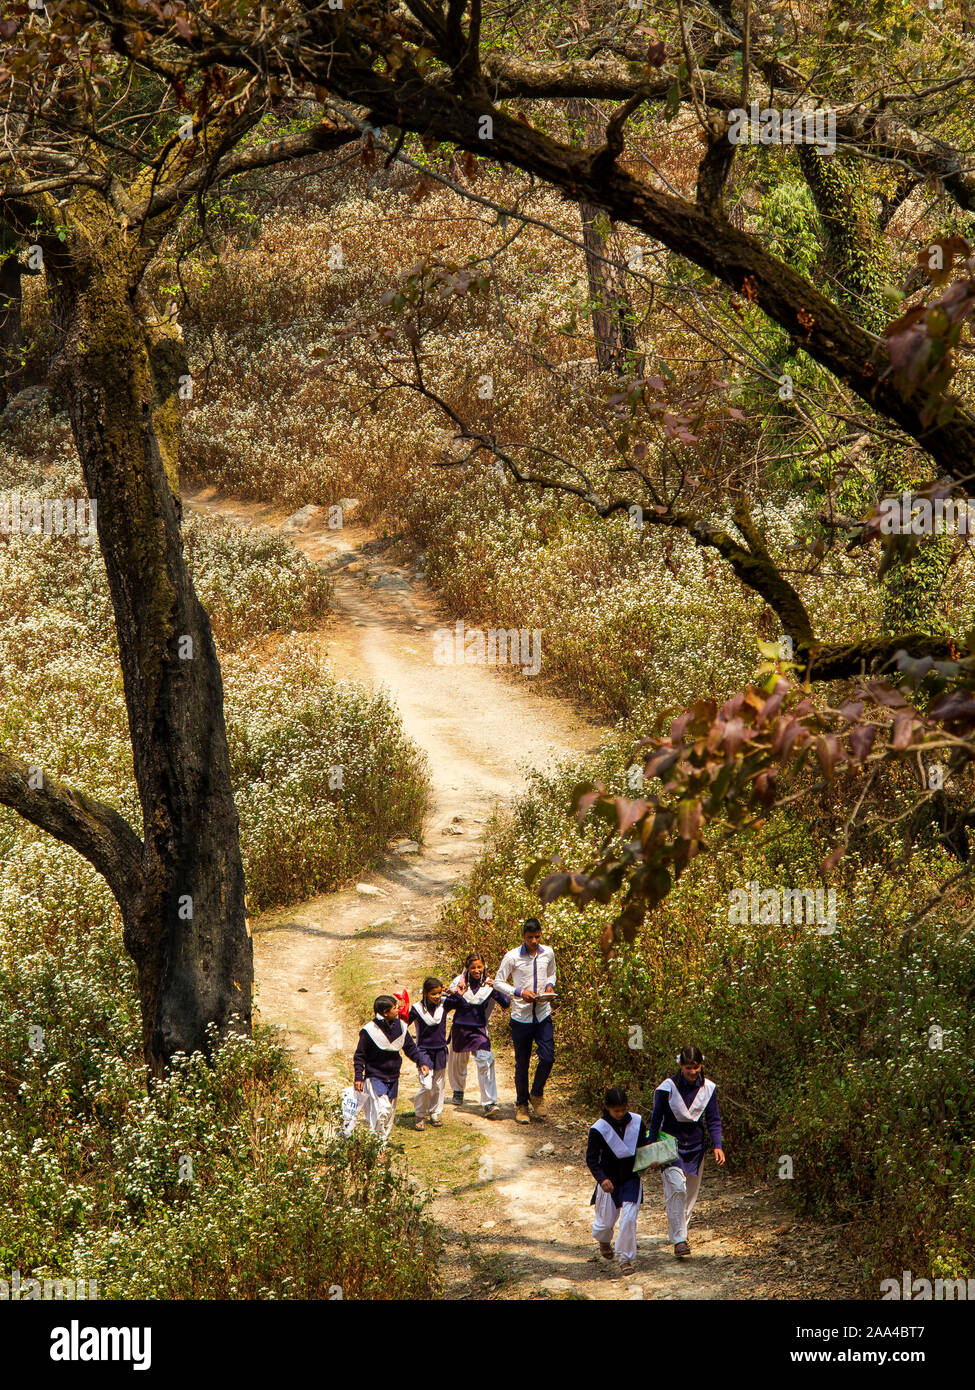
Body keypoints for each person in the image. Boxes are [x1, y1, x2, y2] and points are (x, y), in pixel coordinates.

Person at [645, 1045, 725, 1258]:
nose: (692, 1072)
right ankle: (679, 1240)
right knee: (677, 1189)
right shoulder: (667, 1089)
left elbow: (713, 1119)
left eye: (696, 1067)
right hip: (670, 1146)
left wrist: (718, 1145)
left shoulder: (708, 1088)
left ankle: (681, 1232)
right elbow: (655, 1121)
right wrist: (653, 1149)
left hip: (696, 1148)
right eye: (688, 1067)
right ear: (680, 1065)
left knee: (689, 1194)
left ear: (701, 1065)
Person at [494, 918, 557, 1124]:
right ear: (523, 936)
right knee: (522, 1062)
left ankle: (536, 1094)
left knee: (547, 1057)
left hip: (543, 1012)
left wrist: (549, 986)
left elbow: (552, 973)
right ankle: (521, 1104)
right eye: (530, 937)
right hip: (521, 1016)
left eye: (537, 936)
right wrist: (519, 992)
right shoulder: (512, 956)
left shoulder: (547, 952)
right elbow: (498, 982)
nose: (534, 941)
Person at [585, 1086, 648, 1277]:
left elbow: (643, 1148)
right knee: (604, 1225)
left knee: (629, 1219)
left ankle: (624, 1258)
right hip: (609, 1180)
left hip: (630, 1178)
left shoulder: (636, 1122)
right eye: (616, 1111)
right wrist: (602, 1178)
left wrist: (651, 1158)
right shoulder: (599, 1129)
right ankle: (604, 1240)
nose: (620, 1114)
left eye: (623, 1109)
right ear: (607, 1108)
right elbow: (592, 1158)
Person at [351, 994, 431, 1145]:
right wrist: (358, 1077)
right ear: (385, 1012)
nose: (398, 1010)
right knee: (382, 1110)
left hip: (393, 1076)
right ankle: (377, 1144)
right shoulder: (369, 1031)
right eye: (394, 1008)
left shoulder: (400, 1027)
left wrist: (421, 1062)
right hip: (375, 1076)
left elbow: (410, 1048)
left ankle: (381, 1143)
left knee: (389, 1116)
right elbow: (360, 1056)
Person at [445, 952, 510, 1117]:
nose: (476, 970)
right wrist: (457, 994)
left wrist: (498, 986)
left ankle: (489, 1102)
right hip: (460, 1027)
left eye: (479, 967)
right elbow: (447, 1005)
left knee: (486, 1060)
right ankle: (458, 1090)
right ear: (467, 968)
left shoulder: (488, 985)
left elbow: (506, 1003)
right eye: (473, 967)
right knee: (458, 1061)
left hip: (479, 1028)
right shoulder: (458, 983)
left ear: (484, 967)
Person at [409, 976, 456, 1130]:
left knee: (438, 1084)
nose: (437, 997)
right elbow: (403, 1025)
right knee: (427, 1084)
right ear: (426, 993)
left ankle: (435, 1112)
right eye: (433, 994)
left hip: (441, 1050)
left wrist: (452, 993)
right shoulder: (417, 1009)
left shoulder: (444, 1003)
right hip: (424, 1051)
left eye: (439, 993)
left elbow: (464, 1006)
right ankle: (420, 1114)